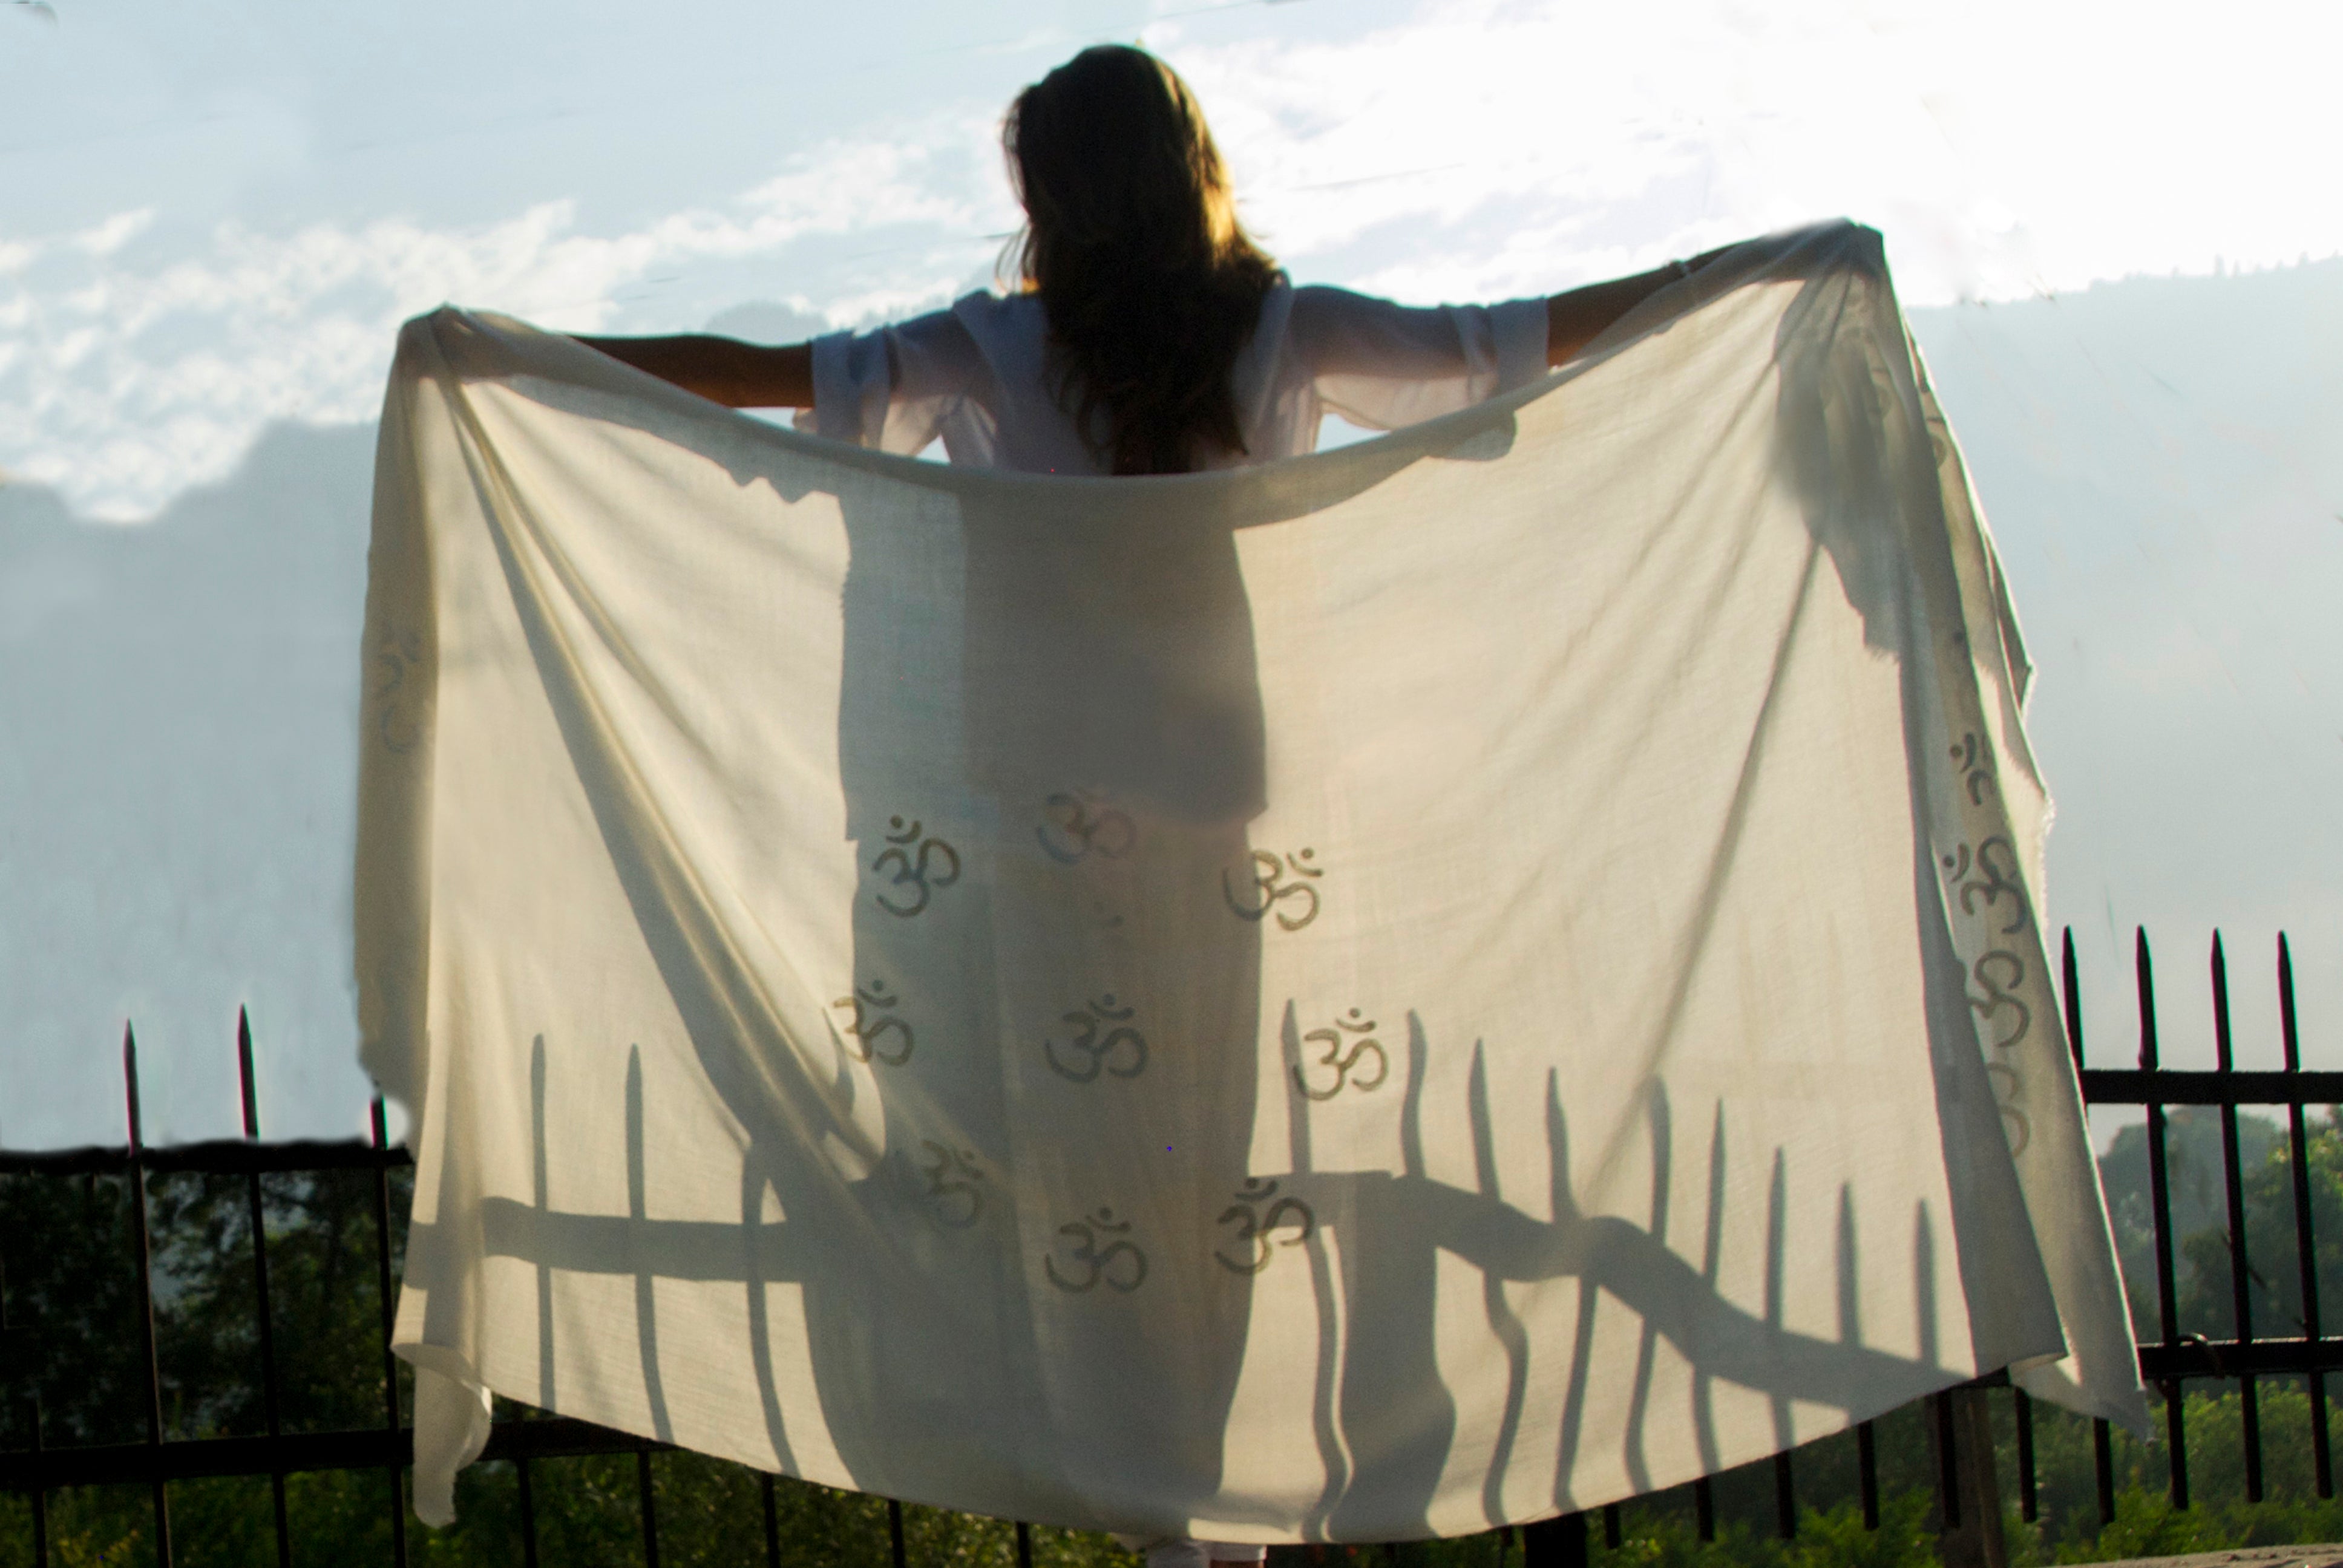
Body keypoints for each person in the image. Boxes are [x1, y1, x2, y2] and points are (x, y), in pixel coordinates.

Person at [578, 42, 1713, 1566]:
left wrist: (535, 354)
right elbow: (1502, 342)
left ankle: (1170, 1518)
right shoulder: (1277, 332)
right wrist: (1737, 277)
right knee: (1201, 1173)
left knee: (1072, 1193)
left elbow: (770, 378)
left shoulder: (996, 349)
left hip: (1038, 829)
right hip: (1202, 820)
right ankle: (1201, 1515)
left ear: (1051, 196)